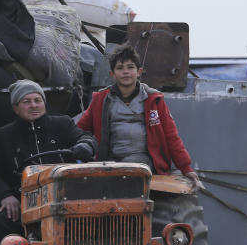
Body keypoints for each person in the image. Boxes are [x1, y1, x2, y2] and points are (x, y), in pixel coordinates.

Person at [0, 80, 97, 245]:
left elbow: (86, 137)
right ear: (15, 108)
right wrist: (5, 195)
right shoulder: (4, 136)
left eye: (37, 100)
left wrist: (85, 146)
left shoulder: (62, 124)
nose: (33, 105)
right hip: (25, 204)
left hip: (65, 199)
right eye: (26, 101)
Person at [76, 45, 200, 187]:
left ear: (139, 72)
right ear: (112, 74)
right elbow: (80, 129)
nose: (125, 72)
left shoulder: (154, 99)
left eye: (130, 67)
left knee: (128, 174)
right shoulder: (101, 100)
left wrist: (185, 167)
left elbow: (171, 136)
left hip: (143, 161)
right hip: (110, 160)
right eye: (120, 68)